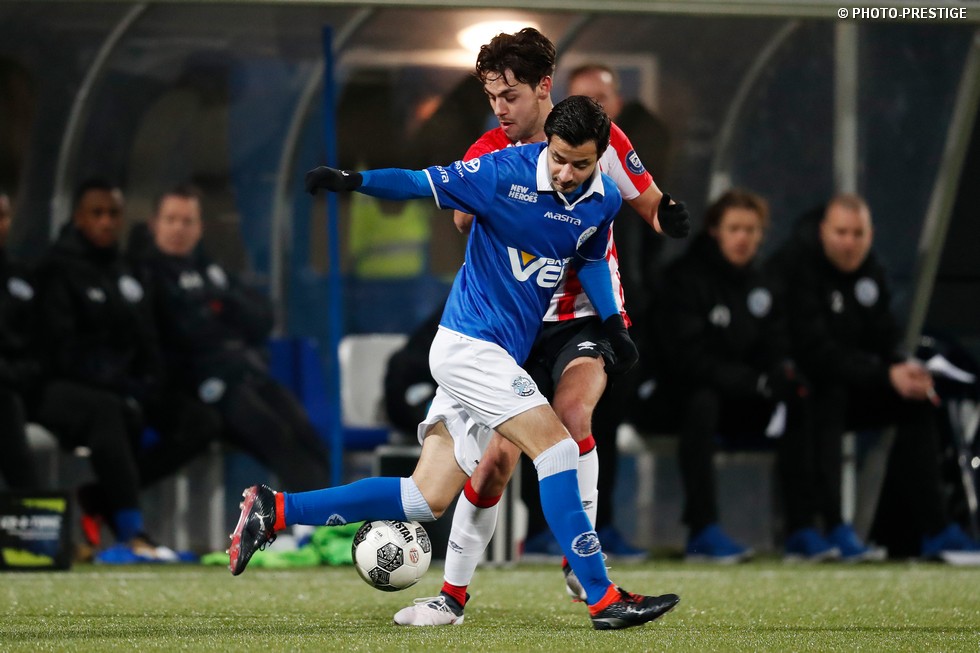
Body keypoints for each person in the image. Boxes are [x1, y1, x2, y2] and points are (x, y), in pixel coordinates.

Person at [229, 96, 680, 631]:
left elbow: (590, 257)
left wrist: (613, 325)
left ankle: (274, 509)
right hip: (470, 347)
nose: (564, 172)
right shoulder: (501, 172)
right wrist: (354, 181)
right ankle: (602, 597)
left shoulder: (602, 201)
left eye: (579, 163)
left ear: (600, 156)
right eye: (558, 158)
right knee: (558, 447)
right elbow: (418, 182)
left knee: (424, 498)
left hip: (497, 355)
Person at [394, 28, 689, 627]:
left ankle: (582, 568)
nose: (500, 109)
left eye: (509, 96)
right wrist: (496, 192)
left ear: (542, 89)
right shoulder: (490, 150)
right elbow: (459, 216)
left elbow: (649, 202)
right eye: (492, 98)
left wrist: (668, 216)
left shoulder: (599, 138)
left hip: (580, 315)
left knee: (574, 416)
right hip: (514, 324)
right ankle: (452, 596)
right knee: (495, 462)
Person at [650, 189, 862, 562]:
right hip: (676, 399)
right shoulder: (685, 279)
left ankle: (804, 528)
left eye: (751, 230)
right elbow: (687, 359)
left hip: (742, 398)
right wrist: (756, 382)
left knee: (800, 396)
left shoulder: (763, 282)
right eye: (734, 228)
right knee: (701, 401)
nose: (743, 238)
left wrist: (779, 373)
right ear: (715, 231)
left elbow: (775, 343)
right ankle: (703, 530)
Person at [767, 193, 980, 561]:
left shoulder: (871, 271)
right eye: (841, 233)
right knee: (824, 394)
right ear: (823, 231)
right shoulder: (798, 268)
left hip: (854, 383)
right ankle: (827, 527)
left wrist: (903, 365)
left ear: (870, 234)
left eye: (858, 234)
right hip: (802, 390)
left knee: (915, 402)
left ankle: (936, 530)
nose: (850, 243)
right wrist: (885, 374)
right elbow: (816, 354)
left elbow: (885, 334)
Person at [33, 179, 221, 562]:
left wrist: (146, 384)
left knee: (200, 421)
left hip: (128, 386)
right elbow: (62, 351)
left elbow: (145, 337)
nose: (106, 221)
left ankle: (102, 497)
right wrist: (123, 387)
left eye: (113, 213)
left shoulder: (126, 269)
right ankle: (131, 531)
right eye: (97, 213)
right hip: (69, 388)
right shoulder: (57, 270)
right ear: (78, 218)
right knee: (108, 411)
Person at [136, 183, 331, 491]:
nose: (178, 229)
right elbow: (183, 333)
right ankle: (312, 516)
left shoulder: (209, 271)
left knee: (307, 436)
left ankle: (333, 511)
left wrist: (222, 305)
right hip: (200, 386)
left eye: (187, 221)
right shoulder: (144, 274)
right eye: (171, 219)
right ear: (154, 224)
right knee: (277, 438)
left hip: (243, 373)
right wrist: (215, 316)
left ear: (199, 228)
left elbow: (262, 318)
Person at [0, 189, 43, 490]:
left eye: (1, 216)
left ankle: (32, 515)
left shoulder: (22, 276)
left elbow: (40, 345)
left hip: (13, 386)